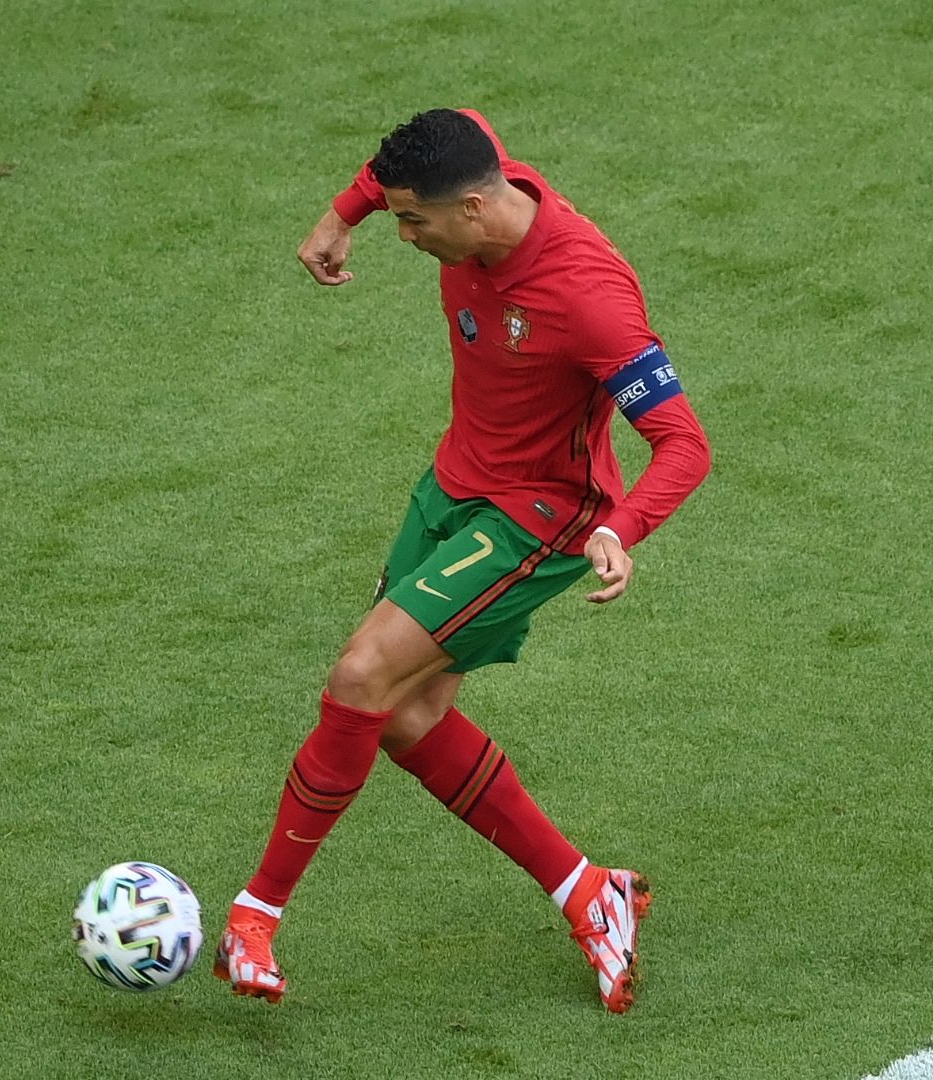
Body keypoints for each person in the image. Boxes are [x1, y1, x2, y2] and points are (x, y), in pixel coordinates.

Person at [216, 108, 713, 1011]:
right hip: (451, 487)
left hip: (539, 517)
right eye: (397, 217)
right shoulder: (475, 165)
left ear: (477, 209)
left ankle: (255, 919)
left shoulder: (590, 295)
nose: (403, 235)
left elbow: (684, 443)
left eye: (414, 221)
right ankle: (588, 891)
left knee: (363, 675)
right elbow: (406, 155)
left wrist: (624, 528)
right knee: (405, 716)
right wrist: (344, 212)